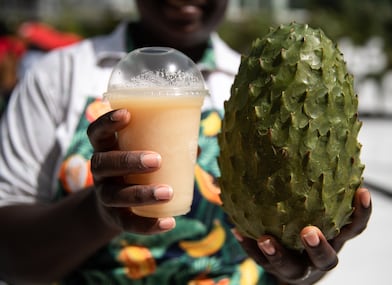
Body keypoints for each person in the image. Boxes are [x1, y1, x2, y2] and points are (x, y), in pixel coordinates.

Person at [0, 1, 371, 284]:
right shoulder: (61, 75)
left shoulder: (266, 87)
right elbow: (9, 255)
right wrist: (98, 212)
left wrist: (298, 268)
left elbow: (281, 263)